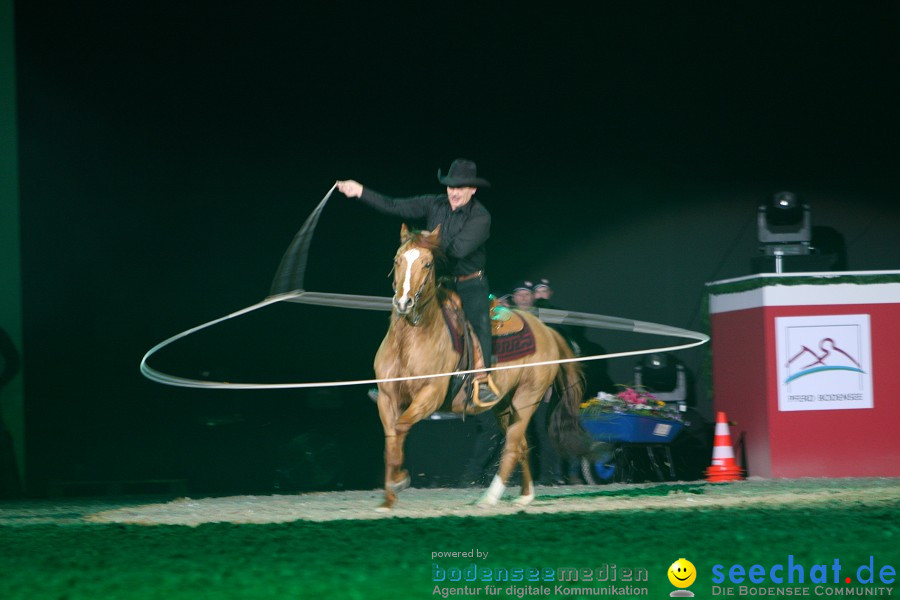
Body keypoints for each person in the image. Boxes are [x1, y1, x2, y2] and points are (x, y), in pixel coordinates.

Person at [336, 159, 499, 404]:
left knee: (479, 323)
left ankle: (481, 379)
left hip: (469, 283)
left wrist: (419, 243)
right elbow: (394, 205)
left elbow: (456, 250)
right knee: (404, 312)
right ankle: (391, 378)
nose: (454, 192)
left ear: (472, 189)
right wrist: (359, 191)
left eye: (460, 187)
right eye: (450, 187)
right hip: (435, 279)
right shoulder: (434, 203)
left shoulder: (481, 217)